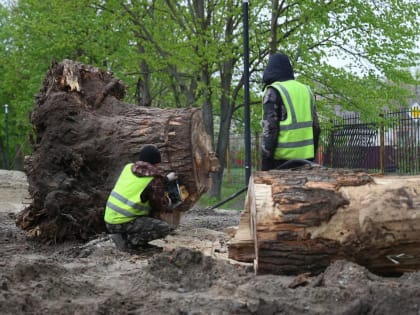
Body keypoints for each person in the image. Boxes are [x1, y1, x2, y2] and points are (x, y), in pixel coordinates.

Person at [104, 144, 178, 250]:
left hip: (109, 219)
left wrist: (165, 180)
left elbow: (141, 182)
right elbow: (161, 205)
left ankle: (122, 236)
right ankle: (128, 242)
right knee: (164, 228)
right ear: (156, 163)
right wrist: (169, 202)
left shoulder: (128, 168)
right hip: (123, 222)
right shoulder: (154, 180)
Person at [260, 52, 321, 171]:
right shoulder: (306, 90)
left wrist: (265, 164)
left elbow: (270, 130)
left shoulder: (273, 91)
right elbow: (316, 128)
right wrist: (311, 158)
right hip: (305, 161)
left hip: (280, 163)